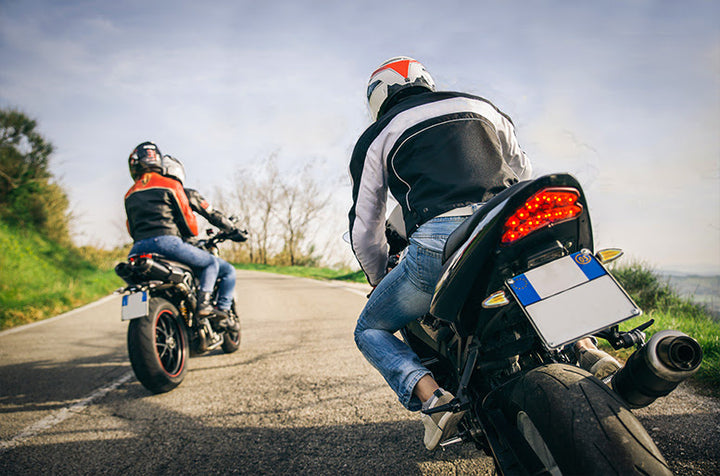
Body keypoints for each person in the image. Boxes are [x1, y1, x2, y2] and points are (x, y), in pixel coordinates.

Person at [348, 57, 619, 450]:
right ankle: (586, 347)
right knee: (544, 273)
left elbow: (365, 228)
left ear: (376, 98)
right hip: (508, 219)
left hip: (440, 242)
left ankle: (435, 401)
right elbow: (521, 169)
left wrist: (377, 278)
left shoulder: (377, 136)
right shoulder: (480, 105)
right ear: (426, 82)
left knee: (369, 329)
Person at [124, 141, 245, 329]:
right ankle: (206, 305)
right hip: (168, 243)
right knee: (213, 264)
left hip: (137, 248)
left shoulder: (129, 193)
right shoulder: (171, 185)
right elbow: (189, 220)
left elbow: (130, 227)